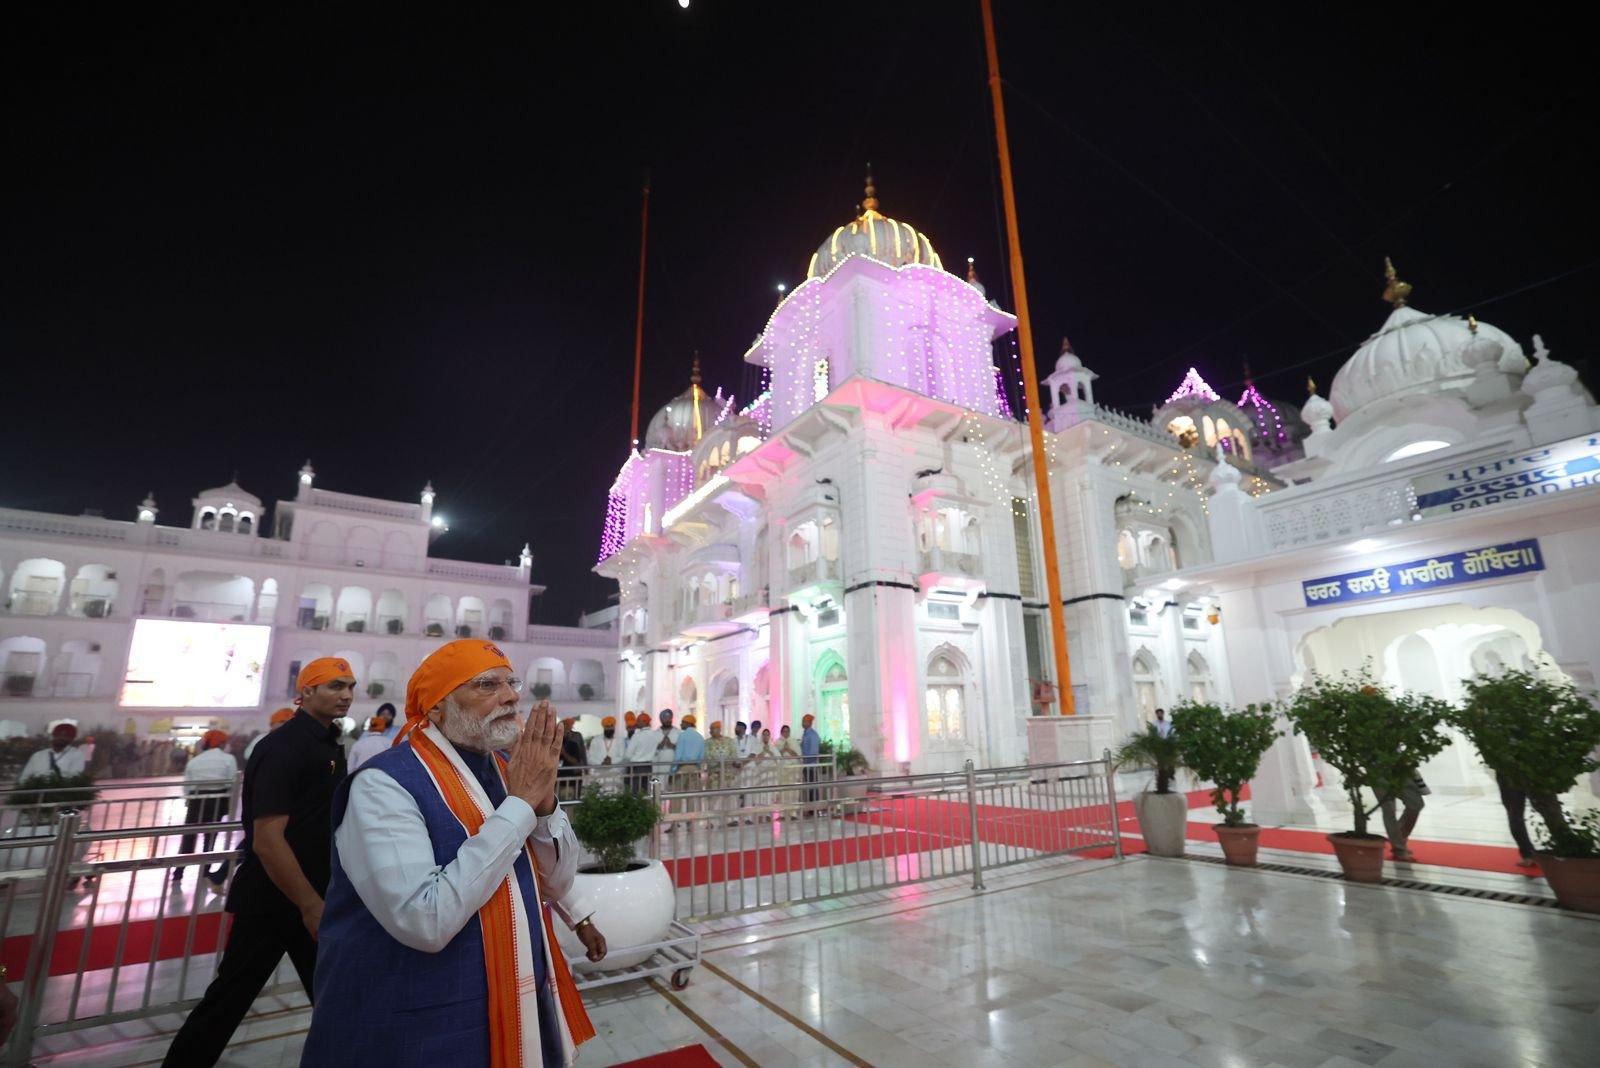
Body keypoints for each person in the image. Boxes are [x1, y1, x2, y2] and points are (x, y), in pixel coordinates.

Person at [299, 640, 605, 1067]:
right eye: (486, 685)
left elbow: (553, 883)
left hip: (513, 999)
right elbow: (425, 919)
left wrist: (544, 802)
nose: (512, 695)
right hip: (420, 1022)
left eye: (511, 683)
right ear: (439, 707)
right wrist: (519, 807)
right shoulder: (383, 785)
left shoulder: (503, 769)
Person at [161, 658, 355, 1067]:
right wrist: (309, 904)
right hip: (275, 898)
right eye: (335, 686)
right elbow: (268, 839)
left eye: (350, 686)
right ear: (305, 693)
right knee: (230, 1000)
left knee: (337, 998)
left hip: (305, 895)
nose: (346, 694)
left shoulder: (326, 742)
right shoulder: (284, 747)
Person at [178, 729, 239, 888]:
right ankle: (206, 871)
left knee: (189, 837)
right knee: (210, 836)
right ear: (223, 743)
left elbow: (187, 785)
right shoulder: (228, 759)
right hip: (217, 801)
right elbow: (231, 782)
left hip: (196, 800)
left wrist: (189, 800)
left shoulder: (195, 760)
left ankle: (178, 871)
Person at [1377, 768, 1428, 862]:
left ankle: (1399, 837)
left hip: (1401, 767)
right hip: (1377, 768)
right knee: (1389, 809)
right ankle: (1399, 849)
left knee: (1416, 804)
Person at [1496, 770, 1540, 868]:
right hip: (1532, 769)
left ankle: (1528, 855)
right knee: (1549, 810)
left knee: (1515, 815)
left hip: (1509, 773)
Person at [19, 722, 88, 781]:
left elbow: (74, 778)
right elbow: (24, 778)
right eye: (57, 735)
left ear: (71, 739)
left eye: (65, 736)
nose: (61, 738)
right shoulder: (38, 755)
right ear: (53, 736)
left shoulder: (77, 754)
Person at [704, 721, 740, 823]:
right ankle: (710, 820)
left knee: (729, 796)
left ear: (719, 730)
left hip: (728, 773)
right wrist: (719, 763)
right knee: (713, 796)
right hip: (714, 774)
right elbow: (707, 756)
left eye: (713, 729)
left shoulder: (729, 741)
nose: (711, 732)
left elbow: (734, 754)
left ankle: (730, 819)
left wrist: (726, 762)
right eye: (710, 729)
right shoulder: (707, 743)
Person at [624, 712, 660, 793]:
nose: (636, 723)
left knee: (635, 792)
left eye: (638, 721)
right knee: (645, 791)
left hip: (636, 767)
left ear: (644, 722)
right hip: (648, 766)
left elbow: (628, 755)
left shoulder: (637, 736)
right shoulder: (655, 735)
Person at [747, 728, 779, 810]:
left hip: (770, 774)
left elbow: (778, 759)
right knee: (760, 794)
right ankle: (760, 813)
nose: (765, 736)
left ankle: (768, 814)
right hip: (760, 774)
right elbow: (755, 760)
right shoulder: (758, 746)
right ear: (762, 736)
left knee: (769, 794)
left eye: (767, 735)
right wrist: (763, 752)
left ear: (769, 736)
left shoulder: (773, 747)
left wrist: (769, 751)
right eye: (764, 734)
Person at [558, 717, 588, 800]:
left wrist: (586, 768)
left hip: (573, 773)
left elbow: (581, 754)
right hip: (559, 776)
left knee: (572, 798)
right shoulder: (557, 740)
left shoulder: (575, 739)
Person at [800, 714, 822, 808]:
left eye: (805, 721)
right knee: (809, 787)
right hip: (806, 764)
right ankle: (811, 808)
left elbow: (813, 753)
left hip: (811, 765)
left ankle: (814, 808)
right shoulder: (805, 734)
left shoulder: (813, 735)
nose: (803, 723)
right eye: (803, 721)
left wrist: (805, 759)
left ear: (810, 723)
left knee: (813, 787)